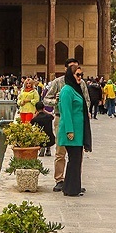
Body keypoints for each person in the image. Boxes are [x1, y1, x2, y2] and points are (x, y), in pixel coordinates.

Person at [43, 58, 90, 193]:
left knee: (76, 154)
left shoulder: (81, 84)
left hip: (77, 121)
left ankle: (74, 181)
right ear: (66, 70)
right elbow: (46, 99)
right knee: (61, 151)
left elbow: (86, 100)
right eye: (73, 68)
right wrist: (57, 102)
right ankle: (60, 179)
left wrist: (84, 114)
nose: (79, 75)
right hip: (61, 118)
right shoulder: (58, 83)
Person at [57, 65, 92, 197]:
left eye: (81, 75)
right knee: (74, 160)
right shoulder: (67, 90)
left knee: (76, 160)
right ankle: (71, 189)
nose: (80, 77)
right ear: (71, 75)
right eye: (77, 75)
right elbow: (66, 112)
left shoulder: (75, 89)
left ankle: (70, 187)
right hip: (72, 132)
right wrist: (69, 131)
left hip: (78, 131)